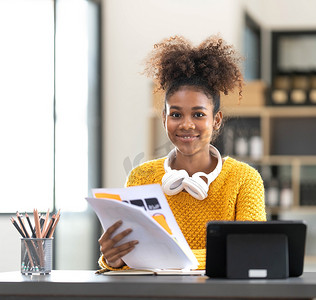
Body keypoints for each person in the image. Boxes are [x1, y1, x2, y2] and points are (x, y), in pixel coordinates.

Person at [98, 35, 266, 271]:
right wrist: (114, 259)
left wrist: (166, 256)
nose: (186, 124)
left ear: (216, 120)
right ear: (164, 119)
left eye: (198, 114)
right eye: (176, 115)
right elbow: (132, 258)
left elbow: (251, 251)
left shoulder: (244, 179)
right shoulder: (141, 177)